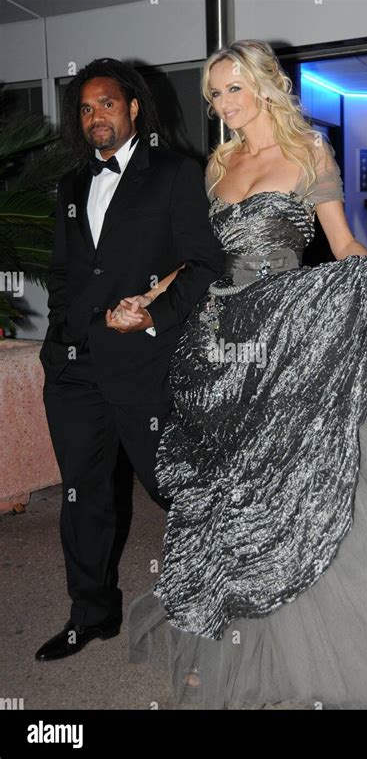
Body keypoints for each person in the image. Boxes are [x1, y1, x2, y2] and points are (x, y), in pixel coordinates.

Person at [121, 41, 367, 709]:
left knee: (286, 493)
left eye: (232, 89)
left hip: (286, 336)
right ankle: (217, 631)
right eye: (213, 95)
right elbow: (199, 259)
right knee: (224, 491)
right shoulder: (218, 166)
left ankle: (301, 641)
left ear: (262, 87)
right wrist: (147, 296)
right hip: (217, 344)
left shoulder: (310, 152)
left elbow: (341, 244)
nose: (222, 105)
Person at [35, 58, 225, 662]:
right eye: (86, 108)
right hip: (73, 367)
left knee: (173, 488)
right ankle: (92, 613)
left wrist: (154, 318)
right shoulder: (69, 186)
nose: (96, 117)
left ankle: (215, 603)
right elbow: (64, 272)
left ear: (134, 107)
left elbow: (205, 264)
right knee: (82, 494)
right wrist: (63, 330)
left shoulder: (175, 173)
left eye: (107, 104)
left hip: (145, 365)